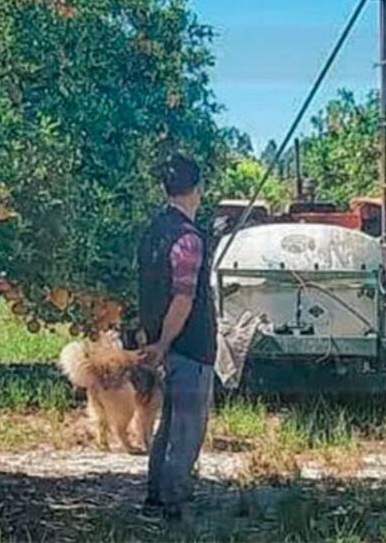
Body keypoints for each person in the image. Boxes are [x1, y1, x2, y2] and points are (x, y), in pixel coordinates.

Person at [136, 155, 216, 523]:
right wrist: (167, 341)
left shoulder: (153, 231)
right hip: (187, 345)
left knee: (168, 425)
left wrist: (152, 341)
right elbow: (183, 299)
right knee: (186, 428)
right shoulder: (188, 239)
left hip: (157, 341)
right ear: (197, 190)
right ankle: (172, 505)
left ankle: (155, 497)